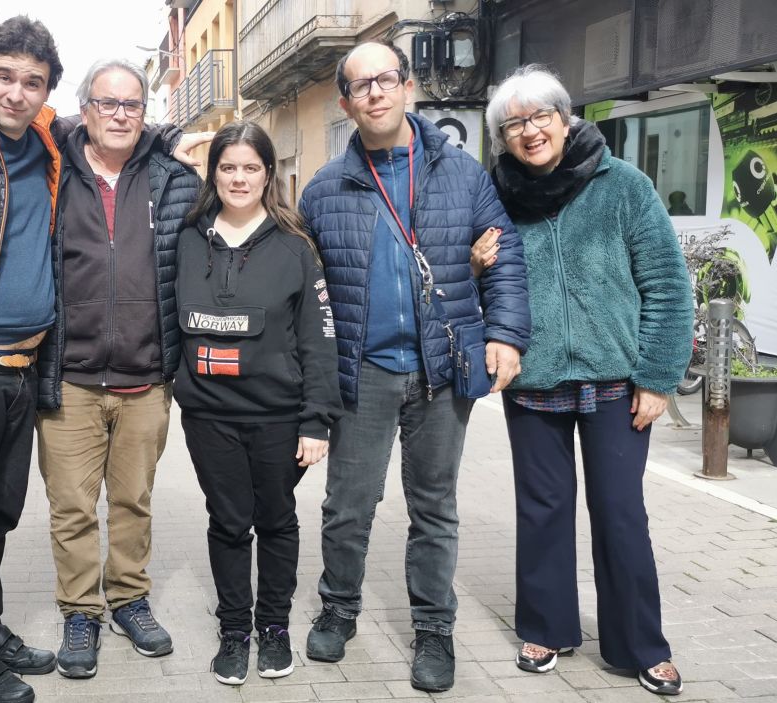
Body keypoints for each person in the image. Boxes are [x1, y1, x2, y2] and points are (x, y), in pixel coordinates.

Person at [0, 18, 204, 703]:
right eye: (5, 77)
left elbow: (135, 128)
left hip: (24, 370)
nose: (18, 93)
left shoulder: (47, 144)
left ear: (49, 93)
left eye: (32, 82)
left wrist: (174, 135)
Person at [297, 41, 531, 693]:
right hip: (362, 372)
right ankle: (339, 607)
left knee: (434, 506)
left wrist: (507, 332)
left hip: (441, 366)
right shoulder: (324, 189)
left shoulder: (462, 174)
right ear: (345, 102)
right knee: (348, 504)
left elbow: (503, 254)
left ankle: (433, 627)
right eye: (359, 85)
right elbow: (303, 288)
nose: (374, 92)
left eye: (385, 79)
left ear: (407, 88)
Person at [482, 65, 693, 697]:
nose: (529, 131)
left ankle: (639, 644)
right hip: (535, 381)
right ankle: (548, 627)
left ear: (565, 117)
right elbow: (474, 287)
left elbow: (666, 284)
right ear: (502, 136)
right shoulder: (494, 194)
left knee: (621, 514)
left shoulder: (621, 183)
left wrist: (657, 377)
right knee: (543, 512)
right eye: (513, 123)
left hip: (614, 382)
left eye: (539, 116)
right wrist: (472, 263)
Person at [34, 59, 200, 678]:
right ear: (86, 109)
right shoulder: (52, 171)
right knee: (71, 506)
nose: (121, 114)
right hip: (69, 379)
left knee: (134, 499)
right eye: (108, 103)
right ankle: (80, 610)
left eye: (133, 104)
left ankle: (128, 598)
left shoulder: (171, 175)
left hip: (147, 377)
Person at [174, 121, 343, 686]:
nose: (238, 177)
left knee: (274, 521)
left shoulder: (296, 248)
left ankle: (272, 628)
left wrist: (317, 420)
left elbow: (320, 341)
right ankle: (233, 630)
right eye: (228, 167)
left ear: (268, 174)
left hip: (277, 417)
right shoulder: (188, 237)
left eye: (250, 167)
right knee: (227, 522)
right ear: (213, 172)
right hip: (208, 416)